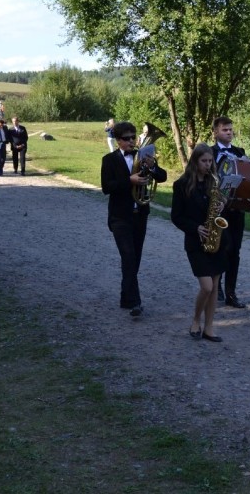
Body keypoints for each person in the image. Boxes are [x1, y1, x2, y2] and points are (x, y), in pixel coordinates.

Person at [100, 121, 167, 317]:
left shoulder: (143, 156)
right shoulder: (109, 160)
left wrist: (152, 167)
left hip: (140, 215)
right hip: (120, 216)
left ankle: (125, 296)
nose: (131, 141)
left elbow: (162, 177)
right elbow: (107, 187)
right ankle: (135, 302)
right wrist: (130, 180)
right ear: (118, 141)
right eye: (127, 139)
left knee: (134, 259)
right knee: (128, 256)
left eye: (133, 137)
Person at [171, 143, 228, 342]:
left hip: (217, 240)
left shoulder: (214, 181)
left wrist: (222, 204)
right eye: (203, 161)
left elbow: (221, 203)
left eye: (210, 161)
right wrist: (196, 228)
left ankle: (209, 327)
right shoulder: (181, 184)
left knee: (214, 285)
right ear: (195, 161)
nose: (207, 164)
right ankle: (196, 320)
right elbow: (176, 217)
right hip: (197, 241)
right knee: (207, 287)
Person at [210, 116, 247, 308]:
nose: (229, 133)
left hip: (236, 208)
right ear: (215, 132)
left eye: (231, 130)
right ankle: (216, 288)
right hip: (217, 208)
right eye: (225, 130)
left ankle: (231, 292)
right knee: (221, 248)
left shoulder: (240, 152)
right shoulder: (210, 152)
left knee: (235, 251)